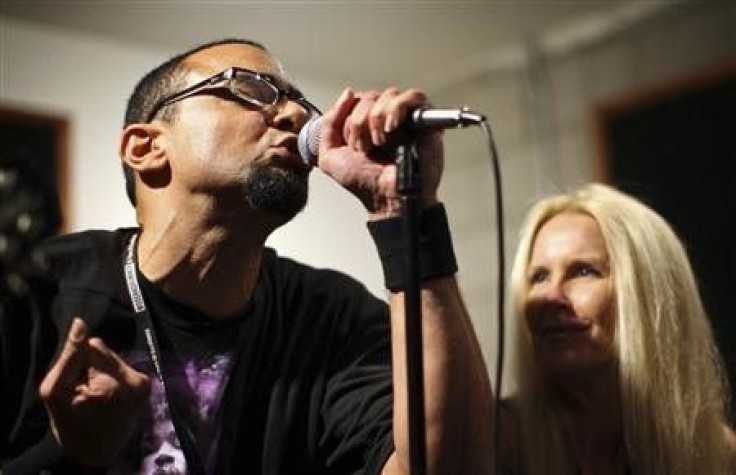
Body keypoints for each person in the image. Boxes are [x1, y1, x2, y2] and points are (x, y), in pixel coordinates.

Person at [0, 38, 492, 474]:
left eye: (301, 102)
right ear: (146, 147)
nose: (296, 115)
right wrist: (68, 453)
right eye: (252, 88)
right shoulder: (31, 290)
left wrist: (404, 209)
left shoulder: (333, 318)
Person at [500, 183, 735, 475]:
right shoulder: (498, 444)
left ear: (649, 293)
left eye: (584, 271)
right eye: (539, 276)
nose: (551, 296)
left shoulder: (716, 455)